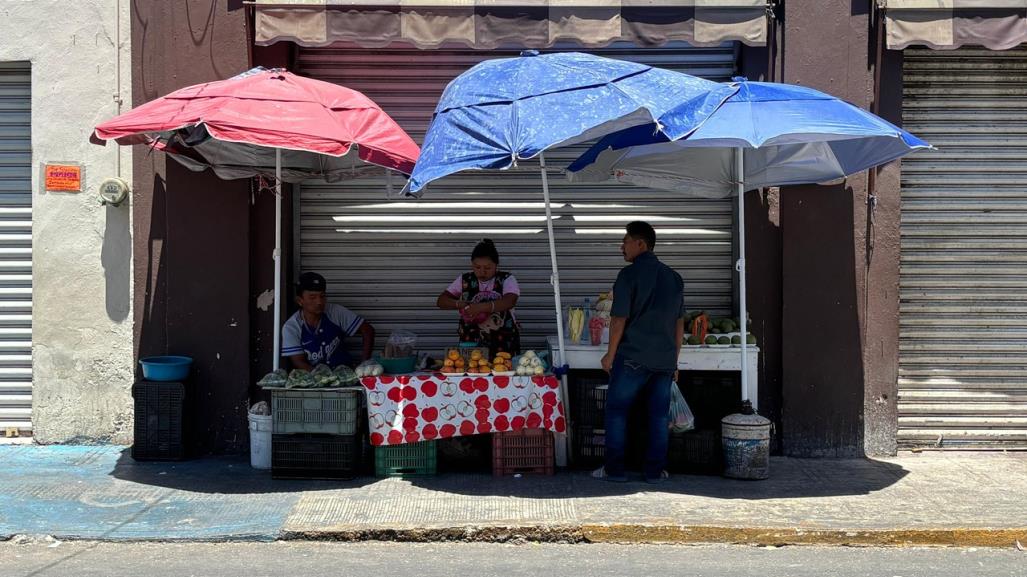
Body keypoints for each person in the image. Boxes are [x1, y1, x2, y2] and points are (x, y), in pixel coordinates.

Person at [595, 222, 685, 483]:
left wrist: (610, 354)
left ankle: (615, 471)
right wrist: (674, 361)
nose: (621, 246)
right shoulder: (674, 277)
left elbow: (619, 318)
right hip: (664, 361)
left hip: (632, 356)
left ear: (641, 244)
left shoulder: (628, 275)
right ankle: (654, 473)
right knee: (658, 416)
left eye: (625, 241)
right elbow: (679, 322)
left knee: (617, 411)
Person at [436, 239, 521, 357]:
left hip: (503, 341)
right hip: (470, 341)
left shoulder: (506, 279)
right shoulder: (465, 280)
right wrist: (459, 304)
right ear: (472, 265)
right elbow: (441, 301)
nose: (482, 271)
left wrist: (479, 307)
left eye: (487, 268)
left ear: (496, 265)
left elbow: (510, 301)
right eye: (477, 267)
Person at [281, 272, 375, 370]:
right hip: (314, 379)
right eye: (312, 297)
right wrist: (324, 377)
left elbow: (367, 330)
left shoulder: (336, 312)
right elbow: (298, 361)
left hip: (345, 373)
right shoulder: (291, 327)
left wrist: (364, 364)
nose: (319, 302)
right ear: (300, 301)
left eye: (322, 296)